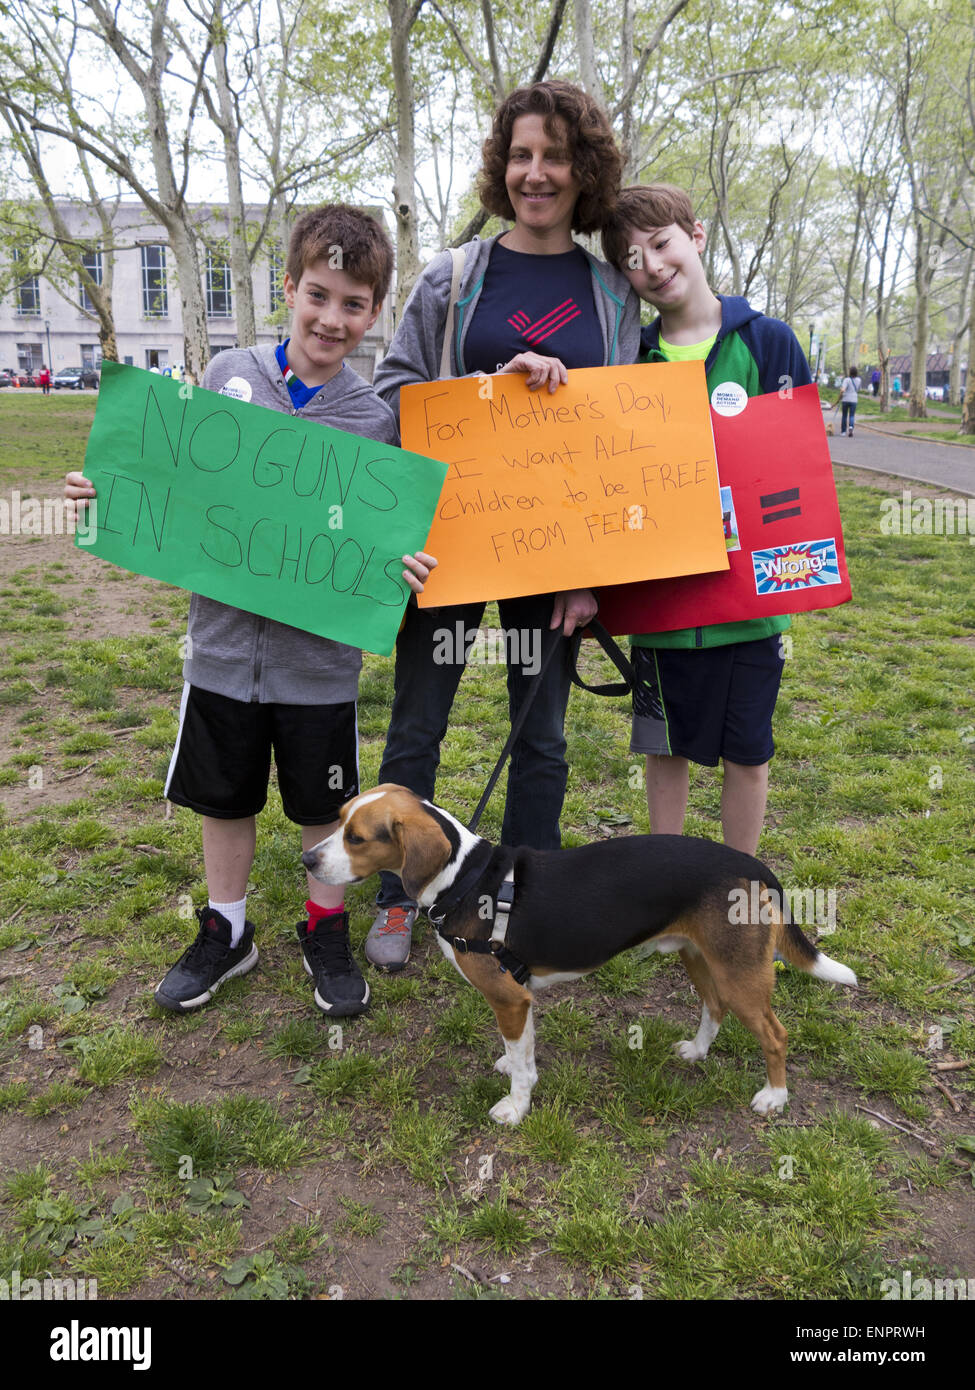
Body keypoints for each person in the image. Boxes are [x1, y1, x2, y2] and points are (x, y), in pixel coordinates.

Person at [65, 204, 436, 1019]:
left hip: (319, 671)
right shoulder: (228, 378)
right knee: (223, 798)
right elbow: (173, 487)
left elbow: (377, 543)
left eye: (352, 304)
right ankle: (226, 928)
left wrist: (401, 567)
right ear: (289, 290)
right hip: (223, 655)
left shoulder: (375, 425)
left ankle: (323, 928)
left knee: (318, 807)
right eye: (317, 295)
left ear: (373, 314)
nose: (330, 318)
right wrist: (109, 496)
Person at [365, 79, 640, 971]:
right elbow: (389, 394)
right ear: (501, 166)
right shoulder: (452, 276)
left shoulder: (609, 296)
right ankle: (397, 896)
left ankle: (527, 901)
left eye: (555, 155)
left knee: (543, 737)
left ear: (582, 168)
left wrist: (590, 570)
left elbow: (627, 438)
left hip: (552, 557)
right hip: (447, 543)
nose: (536, 173)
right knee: (417, 729)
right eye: (521, 154)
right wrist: (486, 397)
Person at [601, 183, 812, 857]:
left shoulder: (768, 341)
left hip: (751, 609)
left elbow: (797, 469)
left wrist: (795, 572)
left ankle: (735, 885)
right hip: (661, 605)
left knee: (745, 752)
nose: (652, 266)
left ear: (694, 236)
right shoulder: (626, 358)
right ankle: (666, 887)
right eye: (632, 259)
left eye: (660, 244)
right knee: (664, 749)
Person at [838, 365, 861, 437]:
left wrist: (840, 396)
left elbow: (843, 389)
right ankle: (851, 427)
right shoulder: (859, 380)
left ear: (850, 372)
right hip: (854, 400)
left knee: (844, 415)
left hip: (845, 399)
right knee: (852, 415)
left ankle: (843, 431)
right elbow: (859, 389)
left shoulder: (846, 380)